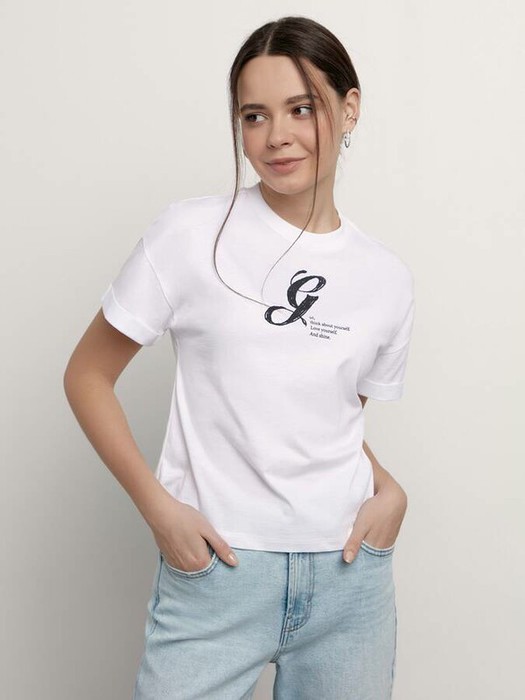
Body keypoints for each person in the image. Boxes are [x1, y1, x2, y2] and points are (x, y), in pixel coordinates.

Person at [64, 15, 415, 700]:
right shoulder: (189, 234)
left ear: (349, 109)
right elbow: (87, 375)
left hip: (350, 577)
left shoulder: (386, 278)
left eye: (301, 108)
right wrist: (160, 509)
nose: (276, 135)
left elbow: (329, 416)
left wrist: (389, 490)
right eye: (254, 115)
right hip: (219, 572)